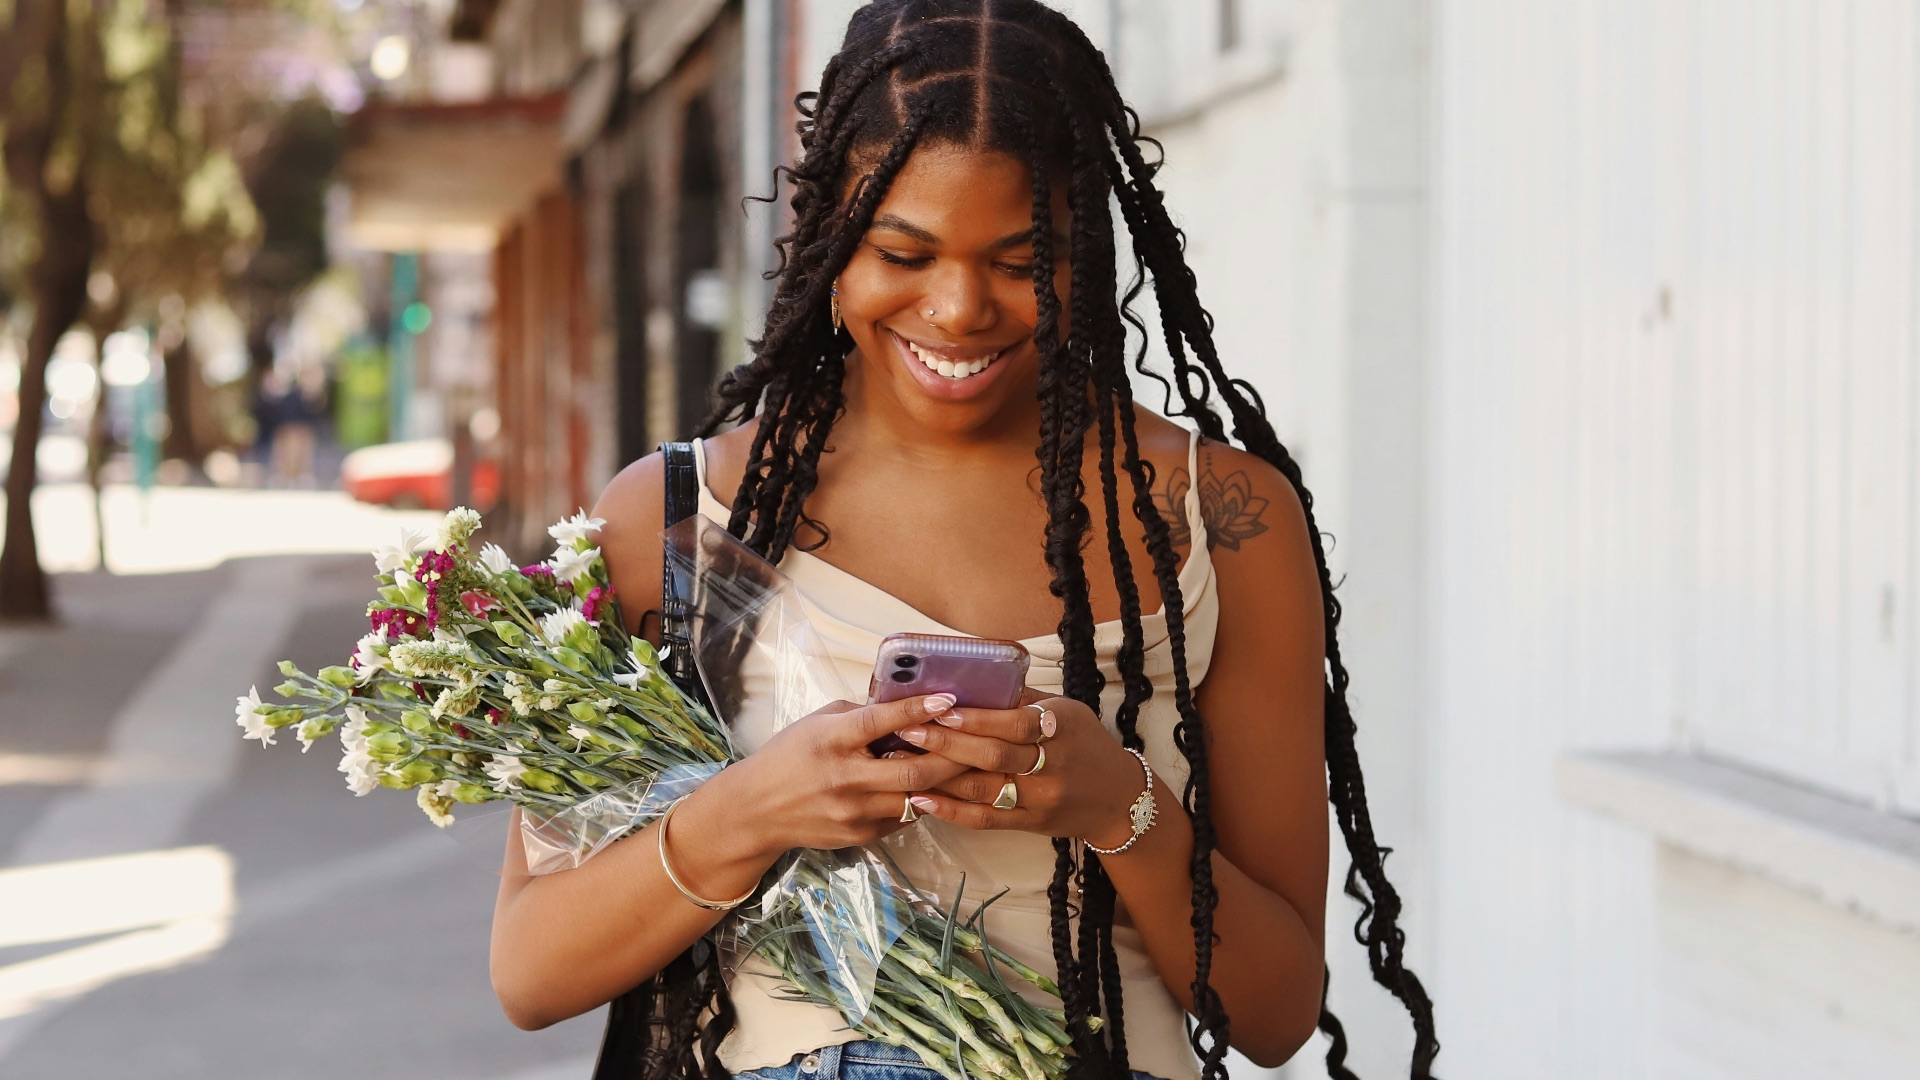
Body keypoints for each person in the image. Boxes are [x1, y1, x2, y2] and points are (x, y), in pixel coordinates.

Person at [489, 3, 1439, 1080]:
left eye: (1023, 257)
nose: (959, 308)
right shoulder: (670, 523)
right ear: (827, 240)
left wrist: (1119, 805)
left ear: (1087, 248)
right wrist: (749, 812)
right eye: (903, 250)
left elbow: (1273, 1015)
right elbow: (532, 972)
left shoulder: (1223, 524)